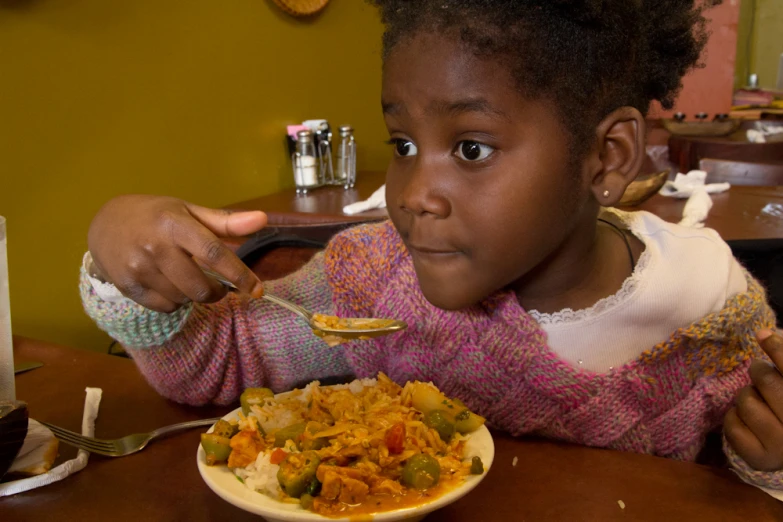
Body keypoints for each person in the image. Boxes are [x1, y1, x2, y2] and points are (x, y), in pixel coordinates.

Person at [80, 0, 783, 492]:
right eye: (404, 145)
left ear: (605, 158)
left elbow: (733, 486)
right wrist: (121, 258)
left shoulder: (708, 313)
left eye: (470, 147)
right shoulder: (373, 281)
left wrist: (769, 467)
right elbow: (208, 364)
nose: (412, 192)